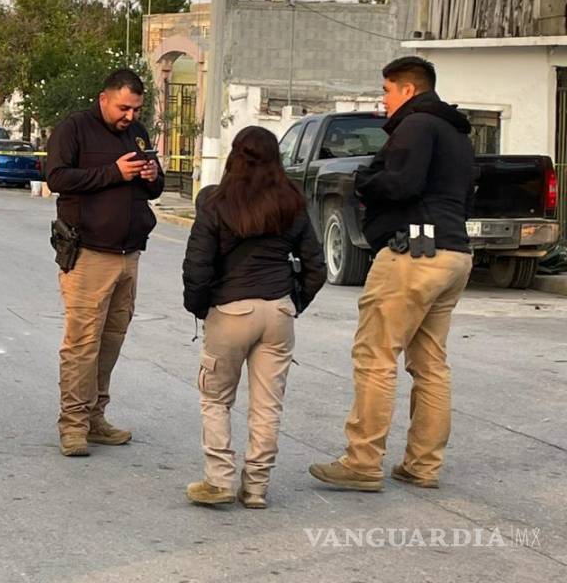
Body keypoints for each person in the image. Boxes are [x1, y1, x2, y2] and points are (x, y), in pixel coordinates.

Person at [309, 56, 475, 492]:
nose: (383, 101)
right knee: (430, 364)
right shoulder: (456, 132)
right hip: (454, 254)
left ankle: (362, 462)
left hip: (413, 254)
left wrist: (365, 180)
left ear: (407, 89)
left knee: (375, 357)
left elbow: (400, 183)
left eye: (385, 91)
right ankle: (423, 465)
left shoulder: (416, 126)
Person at [182, 126, 326, 509]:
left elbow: (197, 265)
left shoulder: (215, 202)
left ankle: (219, 480)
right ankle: (257, 487)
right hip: (278, 310)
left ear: (234, 156)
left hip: (230, 310)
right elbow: (316, 266)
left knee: (215, 399)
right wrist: (294, 303)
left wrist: (200, 307)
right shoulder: (291, 202)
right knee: (267, 406)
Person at [45, 68, 164, 457]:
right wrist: (114, 172)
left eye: (135, 109)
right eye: (123, 108)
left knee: (111, 341)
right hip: (89, 253)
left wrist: (150, 173)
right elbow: (57, 177)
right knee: (82, 344)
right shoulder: (75, 129)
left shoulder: (137, 132)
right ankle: (73, 426)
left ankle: (96, 417)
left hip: (129, 255)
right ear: (104, 98)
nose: (129, 116)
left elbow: (155, 188)